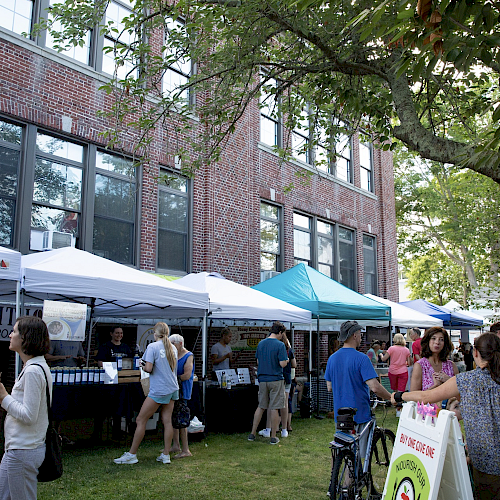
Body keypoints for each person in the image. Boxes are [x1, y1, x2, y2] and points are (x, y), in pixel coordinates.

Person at [392, 333, 500, 500]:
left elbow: (427, 397)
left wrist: (399, 396)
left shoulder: (466, 380)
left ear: (476, 353)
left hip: (485, 462)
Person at [0, 316, 52, 500]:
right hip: (18, 448)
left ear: (25, 338)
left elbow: (29, 415)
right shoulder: (35, 366)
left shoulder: (33, 370)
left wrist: (3, 397)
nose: (10, 335)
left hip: (23, 450)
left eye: (14, 331)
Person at [114, 322, 178, 465]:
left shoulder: (152, 346)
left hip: (159, 389)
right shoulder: (172, 347)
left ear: (155, 334)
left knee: (140, 420)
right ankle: (166, 455)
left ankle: (132, 454)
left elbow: (148, 368)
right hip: (173, 388)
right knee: (167, 421)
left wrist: (142, 364)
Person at [325, 321, 392, 455]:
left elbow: (329, 387)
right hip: (359, 413)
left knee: (342, 452)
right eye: (360, 334)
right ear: (355, 335)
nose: (361, 337)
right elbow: (374, 387)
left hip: (341, 415)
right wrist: (391, 397)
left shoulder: (332, 358)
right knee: (357, 457)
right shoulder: (362, 359)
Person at [248, 321, 289, 445]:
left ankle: (252, 433)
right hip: (276, 379)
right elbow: (282, 364)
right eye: (282, 334)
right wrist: (286, 360)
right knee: (274, 407)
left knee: (261, 406)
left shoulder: (261, 343)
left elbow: (258, 361)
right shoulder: (280, 345)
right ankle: (273, 437)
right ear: (280, 332)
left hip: (262, 379)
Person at [258, 330, 296, 439]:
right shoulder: (288, 349)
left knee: (272, 404)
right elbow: (294, 365)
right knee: (284, 403)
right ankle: (285, 428)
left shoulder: (272, 346)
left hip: (276, 377)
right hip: (286, 378)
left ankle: (270, 428)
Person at [169, 334, 194, 459]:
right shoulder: (173, 355)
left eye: (172, 344)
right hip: (174, 390)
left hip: (183, 391)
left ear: (179, 343)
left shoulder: (188, 356)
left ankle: (185, 449)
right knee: (173, 418)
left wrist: (171, 379)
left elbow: (187, 375)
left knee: (181, 419)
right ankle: (176, 445)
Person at [410, 326, 458, 391]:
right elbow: (414, 395)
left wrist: (449, 380)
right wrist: (435, 386)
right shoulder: (420, 365)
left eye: (441, 339)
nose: (437, 342)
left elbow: (460, 391)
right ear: (428, 341)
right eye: (433, 338)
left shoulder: (451, 366)